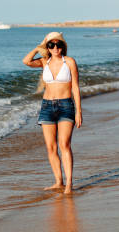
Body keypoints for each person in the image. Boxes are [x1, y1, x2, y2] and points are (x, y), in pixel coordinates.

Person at [23, 32, 82, 194]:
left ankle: (69, 183)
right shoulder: (44, 61)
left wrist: (78, 112)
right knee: (51, 147)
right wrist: (38, 47)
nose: (55, 48)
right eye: (51, 45)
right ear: (48, 47)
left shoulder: (69, 62)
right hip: (47, 106)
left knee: (64, 145)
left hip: (65, 106)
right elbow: (26, 61)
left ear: (63, 46)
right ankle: (58, 182)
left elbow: (75, 87)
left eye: (58, 45)